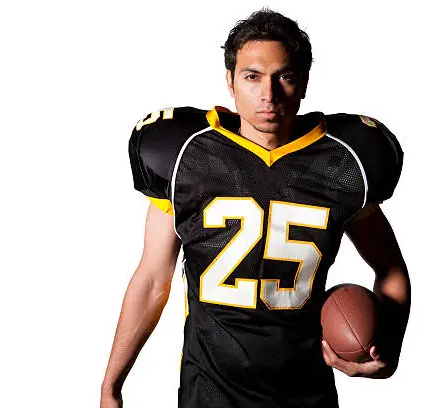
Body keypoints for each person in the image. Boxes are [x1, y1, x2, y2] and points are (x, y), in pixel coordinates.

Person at [101, 8, 410, 408]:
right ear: (229, 82)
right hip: (209, 392)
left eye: (284, 76)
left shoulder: (345, 162)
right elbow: (152, 279)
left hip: (305, 393)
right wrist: (112, 384)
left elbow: (390, 269)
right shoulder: (184, 155)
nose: (269, 93)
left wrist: (390, 351)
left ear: (302, 84)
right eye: (252, 76)